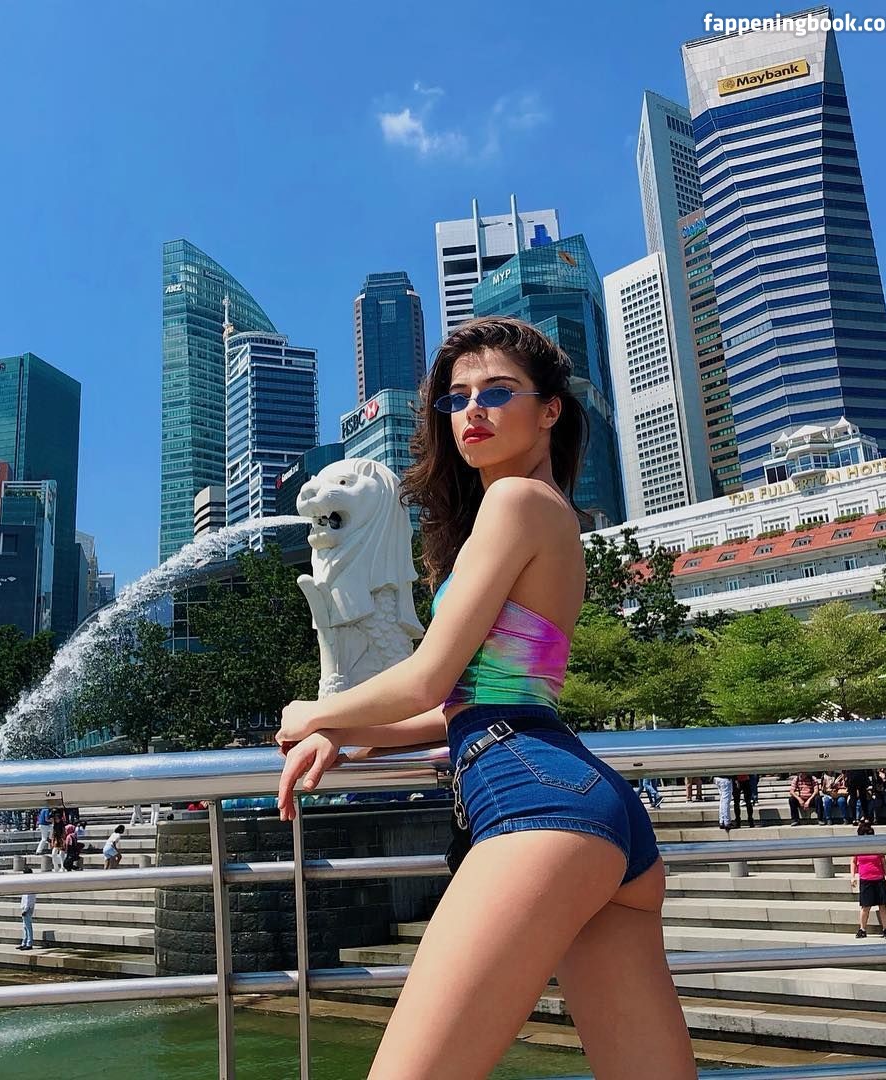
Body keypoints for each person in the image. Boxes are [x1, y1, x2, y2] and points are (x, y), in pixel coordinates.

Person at [272, 318, 697, 1079]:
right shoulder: (547, 510)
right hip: (586, 804)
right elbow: (472, 704)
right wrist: (356, 735)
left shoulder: (515, 503)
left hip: (534, 805)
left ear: (550, 410)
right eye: (457, 398)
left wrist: (315, 713)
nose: (472, 409)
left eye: (498, 392)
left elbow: (428, 677)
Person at [850, 819, 886, 939]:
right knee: (865, 907)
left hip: (879, 879)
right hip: (865, 879)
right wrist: (852, 876)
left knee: (883, 906)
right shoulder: (857, 848)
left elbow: (884, 863)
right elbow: (853, 862)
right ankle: (862, 929)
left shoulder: (877, 847)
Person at [17, 866, 36, 950]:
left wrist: (25, 909)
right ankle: (24, 942)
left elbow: (29, 898)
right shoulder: (27, 882)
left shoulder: (30, 884)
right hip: (25, 906)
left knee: (28, 926)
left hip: (27, 908)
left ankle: (29, 943)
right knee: (25, 926)